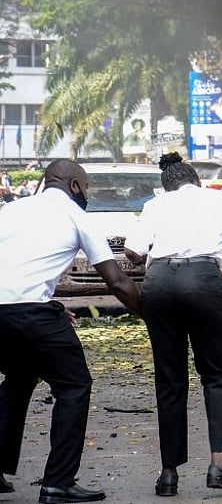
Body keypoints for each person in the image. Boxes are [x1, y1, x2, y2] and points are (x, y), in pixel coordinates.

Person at [0, 159, 143, 504]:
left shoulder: (11, 210)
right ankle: (57, 484)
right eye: (87, 187)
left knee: (20, 378)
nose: (88, 194)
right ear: (75, 186)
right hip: (32, 315)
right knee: (74, 384)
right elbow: (118, 281)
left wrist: (52, 305)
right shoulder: (77, 215)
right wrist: (152, 317)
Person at [122, 153, 222, 497]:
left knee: (170, 380)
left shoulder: (156, 205)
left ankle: (168, 473)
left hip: (159, 285)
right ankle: (218, 463)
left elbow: (132, 252)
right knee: (215, 375)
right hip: (203, 282)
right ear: (196, 181)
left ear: (165, 184)